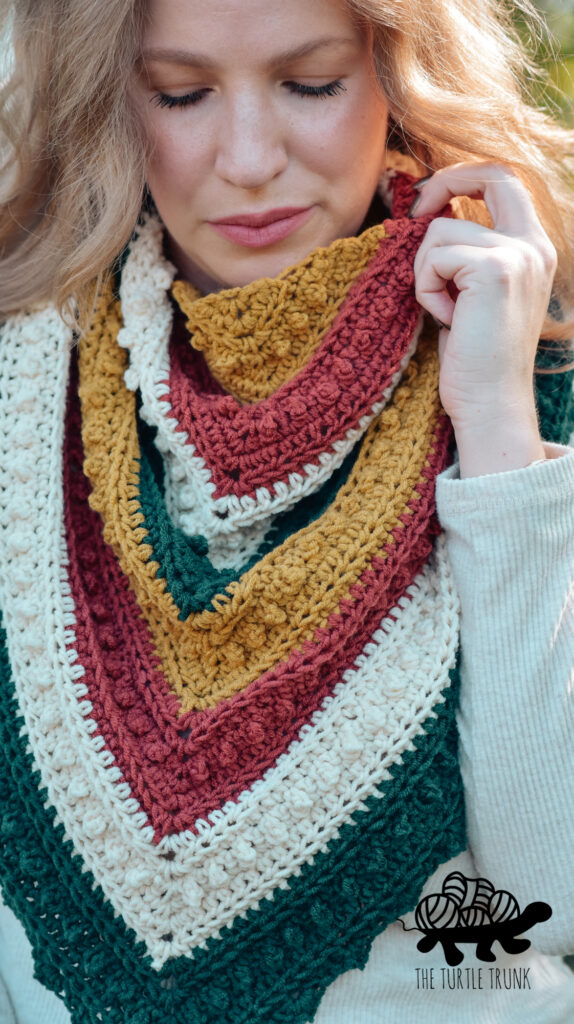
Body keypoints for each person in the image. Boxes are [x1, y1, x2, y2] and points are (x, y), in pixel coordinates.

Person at [0, 0, 573, 1021]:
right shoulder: (24, 391)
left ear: (395, 81)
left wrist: (495, 420)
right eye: (181, 94)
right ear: (106, 105)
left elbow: (548, 898)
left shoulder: (540, 377)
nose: (250, 156)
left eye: (310, 83)